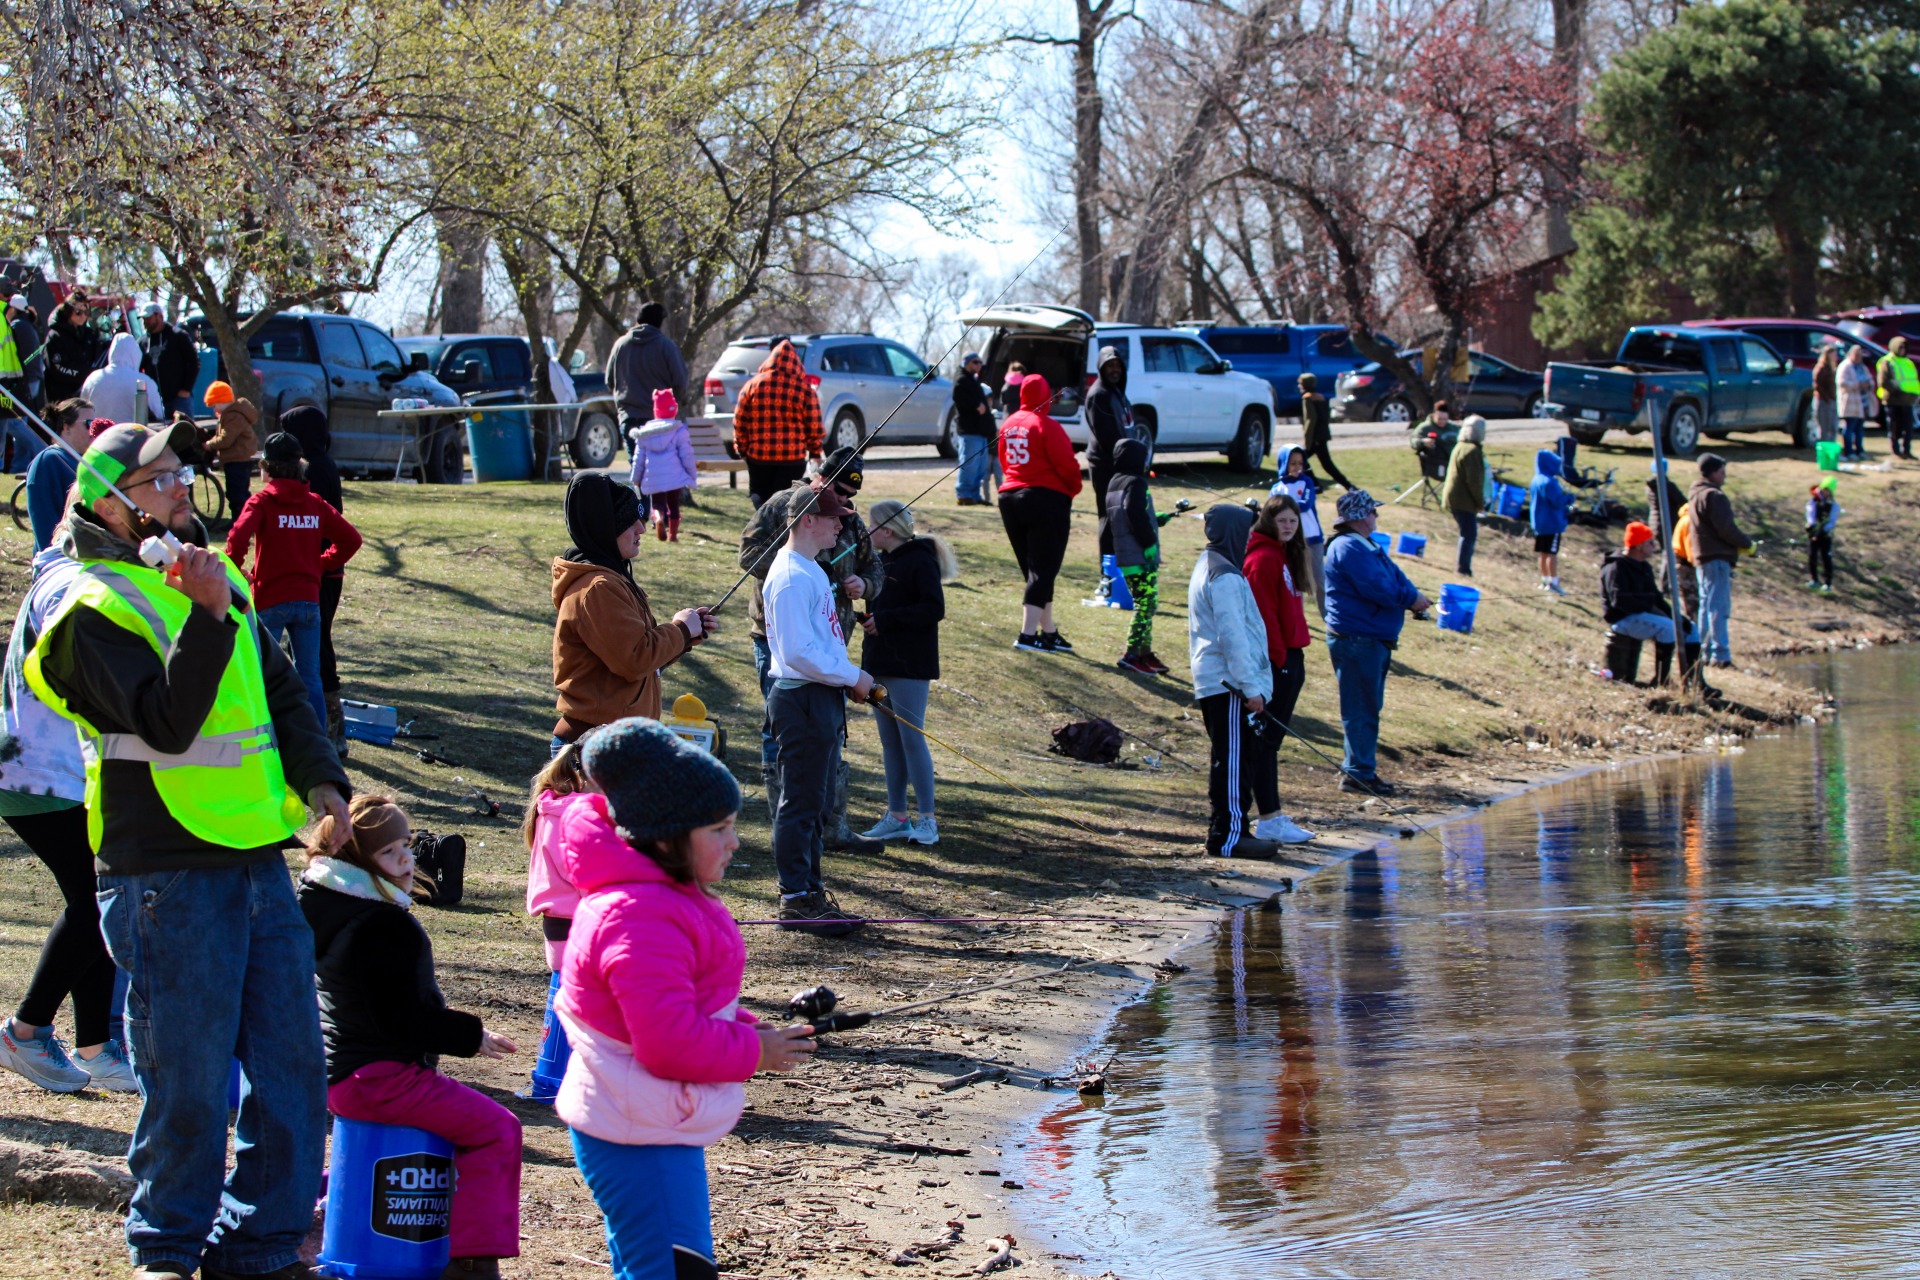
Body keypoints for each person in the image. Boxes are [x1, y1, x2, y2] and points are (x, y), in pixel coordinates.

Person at [23, 421, 351, 1280]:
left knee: (292, 1076)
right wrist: (207, 614)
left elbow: (278, 687)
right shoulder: (80, 607)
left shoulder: (209, 579)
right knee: (191, 1088)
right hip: (163, 872)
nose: (181, 489)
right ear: (106, 501)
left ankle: (266, 1246)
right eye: (159, 478)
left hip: (255, 856)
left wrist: (321, 779)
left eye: (180, 473)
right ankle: (166, 1249)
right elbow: (166, 725)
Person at [555, 719, 817, 1278]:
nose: (735, 841)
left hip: (650, 1118)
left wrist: (753, 1030)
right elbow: (666, 1042)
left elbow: (684, 1007)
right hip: (635, 1129)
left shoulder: (662, 897)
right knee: (672, 1271)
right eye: (719, 828)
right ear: (668, 836)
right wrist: (754, 1051)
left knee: (664, 1266)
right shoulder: (639, 915)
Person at [300, 795, 522, 1280]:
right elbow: (400, 1019)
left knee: (396, 1145)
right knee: (499, 1130)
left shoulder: (327, 907)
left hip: (343, 1074)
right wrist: (471, 1034)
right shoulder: (382, 924)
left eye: (406, 846)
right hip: (382, 1076)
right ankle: (470, 1261)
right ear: (355, 859)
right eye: (389, 852)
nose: (405, 860)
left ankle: (309, 1212)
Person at [0, 526, 132, 1094]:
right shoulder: (70, 587)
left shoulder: (66, 577)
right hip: (37, 776)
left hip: (52, 775)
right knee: (100, 898)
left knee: (100, 897)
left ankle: (96, 1046)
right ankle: (24, 1034)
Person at [738, 450, 883, 854]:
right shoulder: (785, 506)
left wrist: (864, 586)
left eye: (848, 500)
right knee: (781, 736)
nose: (843, 511)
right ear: (820, 477)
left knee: (830, 733)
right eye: (836, 494)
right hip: (781, 641)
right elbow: (748, 557)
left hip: (831, 648)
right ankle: (786, 823)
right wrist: (805, 567)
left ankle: (829, 824)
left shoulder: (846, 519)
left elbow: (876, 569)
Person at [761, 483, 877, 935]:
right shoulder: (790, 575)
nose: (840, 525)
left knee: (817, 801)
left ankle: (811, 892)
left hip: (820, 696)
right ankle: (795, 900)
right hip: (801, 699)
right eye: (833, 518)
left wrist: (843, 680)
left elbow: (821, 644)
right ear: (807, 519)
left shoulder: (810, 569)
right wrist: (852, 676)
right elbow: (799, 652)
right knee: (801, 802)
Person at [551, 472, 713, 757]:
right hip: (593, 747)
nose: (642, 529)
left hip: (616, 742)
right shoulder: (597, 589)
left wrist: (687, 635)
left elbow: (635, 659)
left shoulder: (610, 579)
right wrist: (680, 630)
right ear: (604, 527)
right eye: (630, 522)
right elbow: (635, 660)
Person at [226, 432, 365, 732]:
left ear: (266, 466)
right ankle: (317, 740)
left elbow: (236, 539)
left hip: (269, 598)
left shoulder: (262, 501)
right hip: (307, 600)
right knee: (310, 675)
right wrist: (320, 564)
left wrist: (238, 572)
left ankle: (260, 731)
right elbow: (351, 540)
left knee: (259, 671)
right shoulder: (314, 502)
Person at [1187, 503, 1284, 861]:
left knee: (1236, 758)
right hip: (1229, 686)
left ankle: (1235, 829)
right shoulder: (1224, 574)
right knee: (1231, 761)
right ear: (1232, 532)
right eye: (1244, 533)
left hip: (1225, 684)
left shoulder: (1209, 564)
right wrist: (1250, 687)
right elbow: (1232, 636)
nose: (1247, 541)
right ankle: (1228, 836)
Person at [857, 500, 954, 846]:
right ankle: (897, 815)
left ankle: (927, 820)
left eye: (871, 526)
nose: (867, 533)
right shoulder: (880, 563)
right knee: (890, 742)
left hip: (910, 665)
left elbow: (933, 608)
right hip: (879, 662)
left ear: (886, 530)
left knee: (912, 738)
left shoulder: (919, 560)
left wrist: (886, 620)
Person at [1322, 489, 1430, 796]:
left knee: (1368, 705)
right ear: (1358, 517)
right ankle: (1357, 774)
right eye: (1372, 511)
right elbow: (1377, 588)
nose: (1376, 516)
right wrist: (1411, 600)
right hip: (1357, 640)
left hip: (1371, 639)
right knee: (1360, 708)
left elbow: (1395, 577)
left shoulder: (1365, 544)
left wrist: (1414, 597)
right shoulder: (1348, 548)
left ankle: (1361, 770)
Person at [1242, 494, 1317, 845]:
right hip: (1277, 660)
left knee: (1270, 742)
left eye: (1293, 520)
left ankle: (1271, 815)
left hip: (1292, 654)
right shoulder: (1262, 558)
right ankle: (1268, 817)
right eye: (1282, 520)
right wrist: (1279, 662)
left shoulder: (1285, 556)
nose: (1288, 526)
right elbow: (1263, 616)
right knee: (1264, 742)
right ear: (1268, 521)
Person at [522, 744, 592, 1098]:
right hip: (575, 924)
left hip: (566, 922)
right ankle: (559, 1078)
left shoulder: (558, 807)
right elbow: (587, 876)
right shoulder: (573, 816)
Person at [998, 372, 1083, 653]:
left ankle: (1048, 631)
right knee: (1043, 569)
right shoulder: (1046, 425)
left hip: (1009, 497)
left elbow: (1002, 459)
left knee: (1035, 570)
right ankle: (1027, 634)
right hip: (1045, 498)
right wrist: (1072, 489)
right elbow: (1067, 465)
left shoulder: (1008, 423)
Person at [281, 406, 348, 752]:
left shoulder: (317, 470)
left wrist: (319, 562)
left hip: (321, 572)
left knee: (317, 644)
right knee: (308, 644)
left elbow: (335, 530)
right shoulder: (321, 461)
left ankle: (331, 727)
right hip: (320, 570)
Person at [1105, 437, 1175, 675]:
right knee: (1146, 605)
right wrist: (1148, 543)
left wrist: (1156, 519)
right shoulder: (1136, 482)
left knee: (1146, 604)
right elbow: (1134, 512)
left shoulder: (1115, 482)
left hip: (1125, 554)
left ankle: (1145, 653)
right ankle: (1131, 654)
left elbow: (1126, 515)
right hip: (1139, 555)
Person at [731, 339, 822, 506]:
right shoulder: (804, 388)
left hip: (759, 454)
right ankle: (779, 530)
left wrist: (742, 449)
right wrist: (815, 452)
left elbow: (740, 421)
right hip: (793, 456)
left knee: (759, 494)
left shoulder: (753, 385)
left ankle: (763, 525)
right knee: (786, 501)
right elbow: (814, 425)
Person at [1601, 521, 1691, 686]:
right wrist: (1648, 606)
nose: (1653, 546)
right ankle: (1661, 680)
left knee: (1690, 630)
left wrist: (1678, 618)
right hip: (1623, 620)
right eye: (1650, 542)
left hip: (1641, 616)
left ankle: (1695, 682)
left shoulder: (1644, 567)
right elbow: (1619, 602)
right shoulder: (1616, 567)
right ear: (1640, 545)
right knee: (1667, 627)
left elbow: (1656, 598)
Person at [1687, 452, 1752, 668]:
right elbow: (1726, 529)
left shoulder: (1696, 494)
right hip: (1716, 558)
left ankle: (1704, 651)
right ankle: (1720, 655)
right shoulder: (1714, 496)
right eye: (1722, 472)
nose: (1724, 476)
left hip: (1702, 557)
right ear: (1714, 472)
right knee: (1718, 606)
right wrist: (1746, 543)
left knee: (1706, 605)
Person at [605, 301, 691, 462]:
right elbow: (680, 382)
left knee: (637, 467)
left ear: (638, 320)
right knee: (662, 467)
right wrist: (673, 403)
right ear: (660, 322)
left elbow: (609, 381)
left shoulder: (621, 345)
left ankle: (638, 488)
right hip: (661, 420)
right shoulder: (666, 346)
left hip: (629, 416)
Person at [628, 389, 697, 542]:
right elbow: (687, 455)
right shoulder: (679, 431)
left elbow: (638, 458)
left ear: (656, 411)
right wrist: (692, 473)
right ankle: (673, 535)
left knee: (658, 503)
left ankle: (659, 519)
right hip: (674, 476)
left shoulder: (645, 433)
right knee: (674, 505)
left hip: (653, 477)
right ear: (674, 410)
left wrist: (636, 478)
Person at [1085, 344, 1133, 561]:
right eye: (1109, 365)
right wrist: (1124, 459)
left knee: (1120, 516)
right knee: (1108, 515)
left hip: (1121, 464)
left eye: (1117, 365)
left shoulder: (1117, 393)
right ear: (1101, 368)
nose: (1114, 370)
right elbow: (1106, 436)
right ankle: (1107, 570)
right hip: (1105, 465)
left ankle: (1117, 565)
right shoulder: (1099, 395)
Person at [23, 397, 90, 550]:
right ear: (66, 428)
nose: (94, 430)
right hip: (62, 559)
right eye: (89, 423)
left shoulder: (87, 462)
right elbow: (44, 523)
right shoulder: (49, 460)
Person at [1272, 446, 1329, 614]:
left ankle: (1328, 615)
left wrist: (1285, 505)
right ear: (1283, 464)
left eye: (1300, 463)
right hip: (1289, 541)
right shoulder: (1277, 488)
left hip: (1312, 539)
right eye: (1292, 463)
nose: (1297, 467)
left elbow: (1307, 503)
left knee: (1319, 580)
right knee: (1295, 581)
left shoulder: (1307, 482)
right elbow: (1272, 511)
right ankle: (1297, 616)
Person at [201, 380, 259, 524]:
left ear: (221, 401)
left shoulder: (233, 416)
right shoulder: (231, 414)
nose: (214, 410)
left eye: (214, 406)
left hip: (237, 461)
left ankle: (240, 521)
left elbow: (226, 439)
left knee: (237, 494)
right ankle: (241, 520)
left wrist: (210, 444)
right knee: (239, 492)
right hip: (236, 460)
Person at [80, 331, 164, 425]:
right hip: (132, 436)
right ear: (135, 354)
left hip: (99, 436)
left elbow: (82, 412)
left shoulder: (92, 378)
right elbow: (159, 414)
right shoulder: (144, 381)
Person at [1441, 414, 1487, 576]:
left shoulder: (1459, 446)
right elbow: (1474, 481)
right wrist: (1480, 502)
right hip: (1462, 499)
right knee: (1469, 534)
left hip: (1454, 497)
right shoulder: (1472, 450)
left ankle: (1463, 567)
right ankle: (1463, 569)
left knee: (1466, 533)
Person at [138, 303, 199, 421]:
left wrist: (186, 389)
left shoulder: (178, 336)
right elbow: (138, 368)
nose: (146, 322)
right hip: (153, 400)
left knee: (184, 433)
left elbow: (194, 362)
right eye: (144, 319)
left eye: (149, 318)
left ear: (159, 316)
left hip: (178, 399)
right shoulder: (143, 342)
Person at [952, 351, 996, 505]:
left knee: (980, 466)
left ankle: (974, 495)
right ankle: (964, 494)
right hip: (969, 430)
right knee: (969, 464)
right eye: (975, 362)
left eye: (980, 362)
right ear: (967, 363)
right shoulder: (962, 379)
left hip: (980, 430)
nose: (979, 365)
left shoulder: (973, 380)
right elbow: (958, 396)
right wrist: (976, 405)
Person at [42, 293, 102, 406]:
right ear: (68, 311)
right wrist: (85, 373)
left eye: (86, 312)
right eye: (78, 312)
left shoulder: (89, 336)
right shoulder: (55, 336)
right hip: (62, 400)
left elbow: (96, 360)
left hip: (85, 398)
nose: (83, 316)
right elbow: (57, 367)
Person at [1297, 372, 1354, 491]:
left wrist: (1307, 440)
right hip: (1322, 435)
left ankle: (1316, 484)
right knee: (1325, 464)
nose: (1299, 386)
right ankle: (1348, 486)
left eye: (1300, 384)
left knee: (1301, 459)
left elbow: (1310, 419)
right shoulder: (1321, 397)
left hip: (1314, 437)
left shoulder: (1307, 398)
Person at [1528, 447, 1572, 594]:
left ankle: (1544, 580)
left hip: (1539, 523)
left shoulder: (1536, 480)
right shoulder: (1550, 482)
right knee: (1551, 553)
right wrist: (1569, 498)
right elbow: (1557, 501)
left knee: (1543, 553)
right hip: (1552, 523)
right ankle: (1553, 583)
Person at [1877, 335, 1917, 459]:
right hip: (1893, 400)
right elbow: (1883, 381)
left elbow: (1914, 380)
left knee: (1908, 428)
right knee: (1895, 428)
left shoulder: (1908, 362)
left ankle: (1907, 450)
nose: (1903, 350)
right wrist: (1895, 389)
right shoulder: (1887, 361)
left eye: (1905, 348)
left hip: (1908, 400)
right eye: (1900, 348)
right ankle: (1896, 450)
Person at [1839, 344, 1875, 460]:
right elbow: (1842, 383)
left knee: (1860, 429)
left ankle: (1859, 450)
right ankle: (1848, 451)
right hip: (1850, 402)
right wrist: (1858, 385)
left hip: (1862, 403)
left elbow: (1870, 380)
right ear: (1850, 354)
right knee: (1849, 428)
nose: (1859, 357)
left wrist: (1868, 385)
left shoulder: (1862, 367)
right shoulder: (1845, 366)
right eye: (1856, 354)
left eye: (1860, 355)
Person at [1805, 476, 1840, 593]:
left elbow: (1832, 521)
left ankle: (1827, 583)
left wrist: (1823, 530)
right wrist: (1812, 526)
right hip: (1814, 533)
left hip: (1825, 535)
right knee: (1812, 555)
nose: (1825, 493)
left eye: (1828, 491)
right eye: (1824, 490)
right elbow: (1810, 513)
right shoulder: (1814, 501)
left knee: (1826, 557)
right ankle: (1814, 580)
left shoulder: (1833, 505)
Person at [1408, 398, 1456, 479]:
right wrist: (1423, 442)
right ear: (1434, 415)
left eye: (1445, 419)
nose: (1442, 422)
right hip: (1439, 463)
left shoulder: (1454, 428)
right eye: (1439, 419)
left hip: (1457, 460)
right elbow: (1413, 440)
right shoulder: (1425, 427)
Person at [1810, 345, 1840, 447]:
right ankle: (1825, 451)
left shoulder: (1832, 368)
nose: (1835, 356)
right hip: (1823, 401)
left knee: (1833, 427)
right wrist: (1827, 398)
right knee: (1824, 428)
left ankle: (1831, 450)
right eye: (1833, 354)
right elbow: (1817, 386)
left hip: (1832, 400)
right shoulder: (1821, 368)